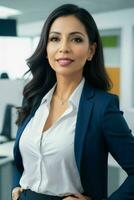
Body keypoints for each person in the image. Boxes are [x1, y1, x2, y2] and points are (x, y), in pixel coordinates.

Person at [12, 4, 134, 200]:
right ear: (46, 49)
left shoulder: (102, 107)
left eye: (76, 39)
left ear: (91, 51)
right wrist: (17, 186)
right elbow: (25, 155)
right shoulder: (34, 98)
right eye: (55, 39)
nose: (64, 48)